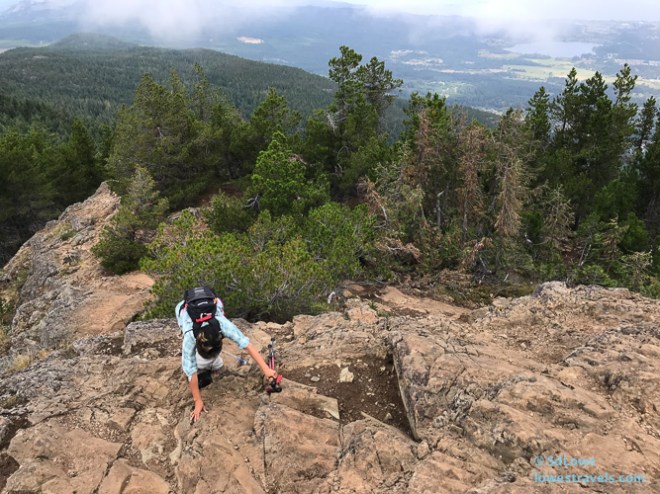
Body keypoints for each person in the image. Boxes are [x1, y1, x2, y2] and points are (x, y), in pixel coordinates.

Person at [175, 290, 278, 422]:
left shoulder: (222, 324)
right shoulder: (190, 335)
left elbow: (245, 343)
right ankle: (206, 361)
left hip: (215, 304)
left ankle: (209, 361)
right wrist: (197, 401)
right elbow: (190, 370)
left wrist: (266, 369)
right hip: (183, 309)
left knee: (206, 362)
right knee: (200, 362)